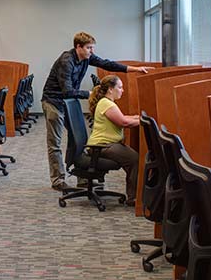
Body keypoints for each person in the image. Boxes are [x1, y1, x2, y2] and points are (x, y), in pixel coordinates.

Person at [41, 32, 153, 191]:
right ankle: (58, 180)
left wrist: (135, 69)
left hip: (70, 101)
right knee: (55, 142)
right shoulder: (67, 61)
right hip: (54, 101)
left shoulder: (87, 57)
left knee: (76, 138)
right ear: (78, 47)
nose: (91, 51)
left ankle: (83, 178)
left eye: (92, 48)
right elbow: (67, 91)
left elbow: (108, 64)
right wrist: (90, 94)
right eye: (88, 48)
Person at [87, 75, 140, 205]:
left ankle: (135, 193)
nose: (123, 90)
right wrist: (143, 120)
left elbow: (122, 117)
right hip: (101, 146)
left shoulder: (107, 102)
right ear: (110, 89)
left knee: (133, 158)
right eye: (120, 87)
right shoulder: (106, 103)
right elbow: (123, 122)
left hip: (106, 144)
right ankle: (133, 198)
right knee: (135, 159)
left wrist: (136, 117)